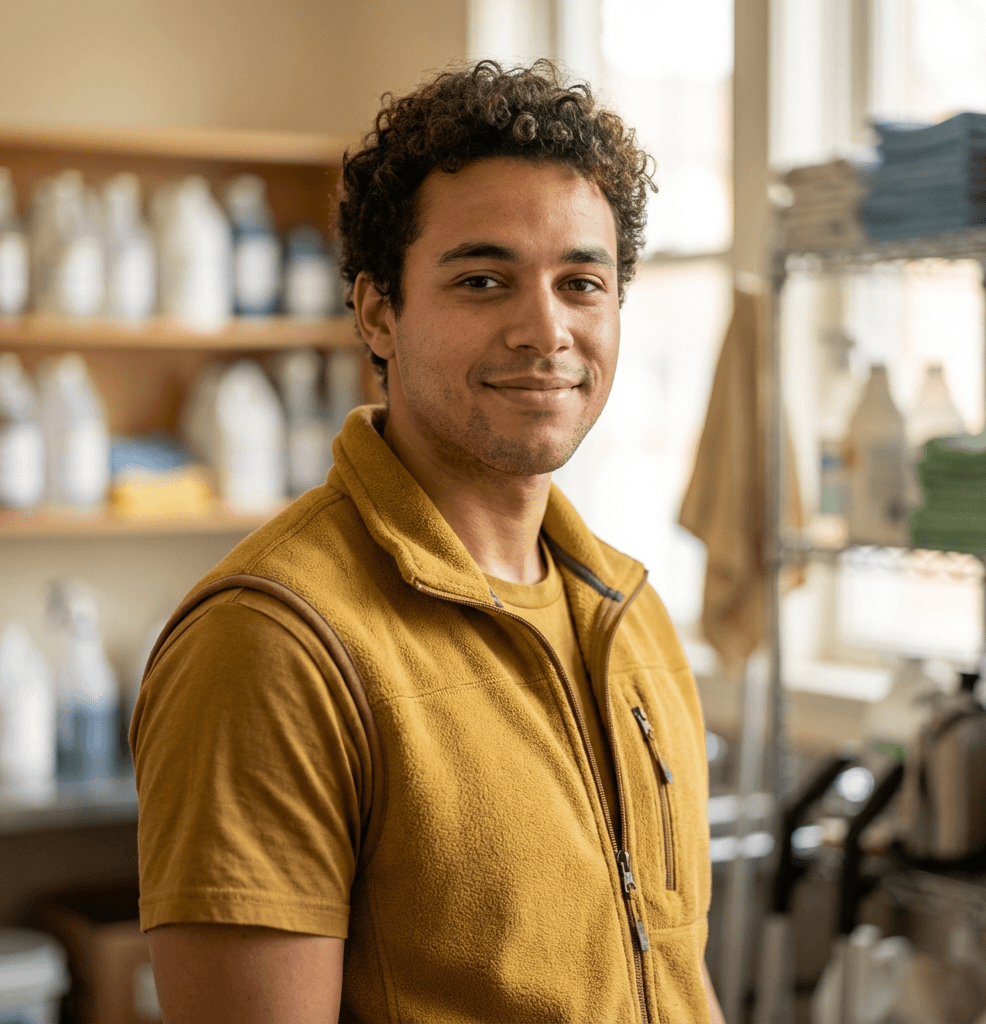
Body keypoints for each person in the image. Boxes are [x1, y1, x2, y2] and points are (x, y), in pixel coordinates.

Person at [131, 59, 723, 1024]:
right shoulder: (273, 645)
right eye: (483, 280)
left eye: (583, 281)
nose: (547, 330)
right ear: (378, 312)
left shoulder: (631, 618)